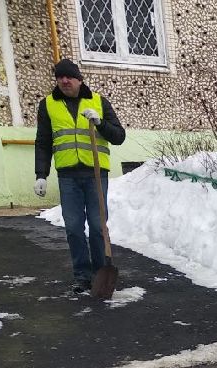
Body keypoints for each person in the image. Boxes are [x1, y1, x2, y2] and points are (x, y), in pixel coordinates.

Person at [34, 59, 125, 294]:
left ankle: (100, 272)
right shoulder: (48, 105)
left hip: (95, 174)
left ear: (79, 79)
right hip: (68, 176)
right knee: (74, 227)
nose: (64, 81)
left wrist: (100, 122)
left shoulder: (98, 101)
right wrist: (41, 174)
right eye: (60, 77)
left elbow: (118, 136)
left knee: (97, 226)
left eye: (69, 77)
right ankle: (82, 276)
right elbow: (43, 142)